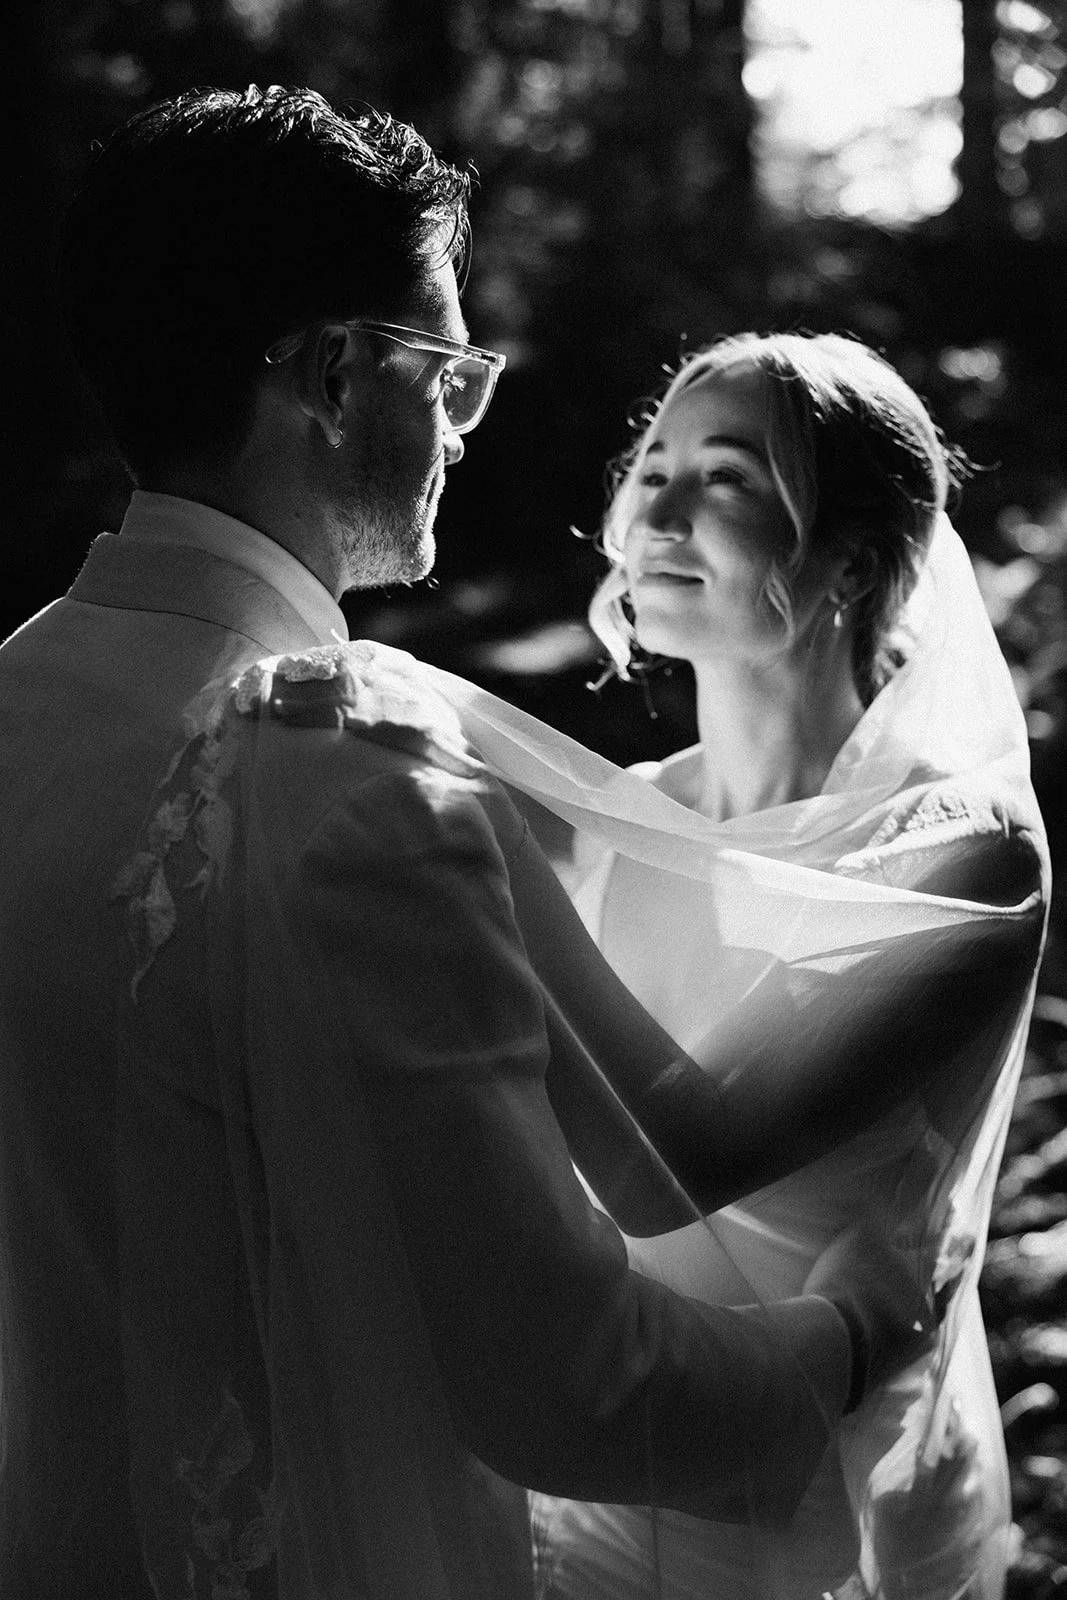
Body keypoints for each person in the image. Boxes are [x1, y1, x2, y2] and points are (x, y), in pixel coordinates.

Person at [0, 91, 925, 1600]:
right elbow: (563, 1380)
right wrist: (850, 1336)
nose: (461, 427)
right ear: (339, 372)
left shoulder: (17, 697)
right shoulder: (348, 789)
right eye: (451, 370)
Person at [414, 332, 1044, 1598]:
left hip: (818, 1489)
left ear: (852, 560)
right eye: (651, 464)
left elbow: (670, 1164)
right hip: (616, 1440)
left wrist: (480, 828)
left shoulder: (967, 858)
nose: (659, 502)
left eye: (729, 475)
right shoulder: (629, 813)